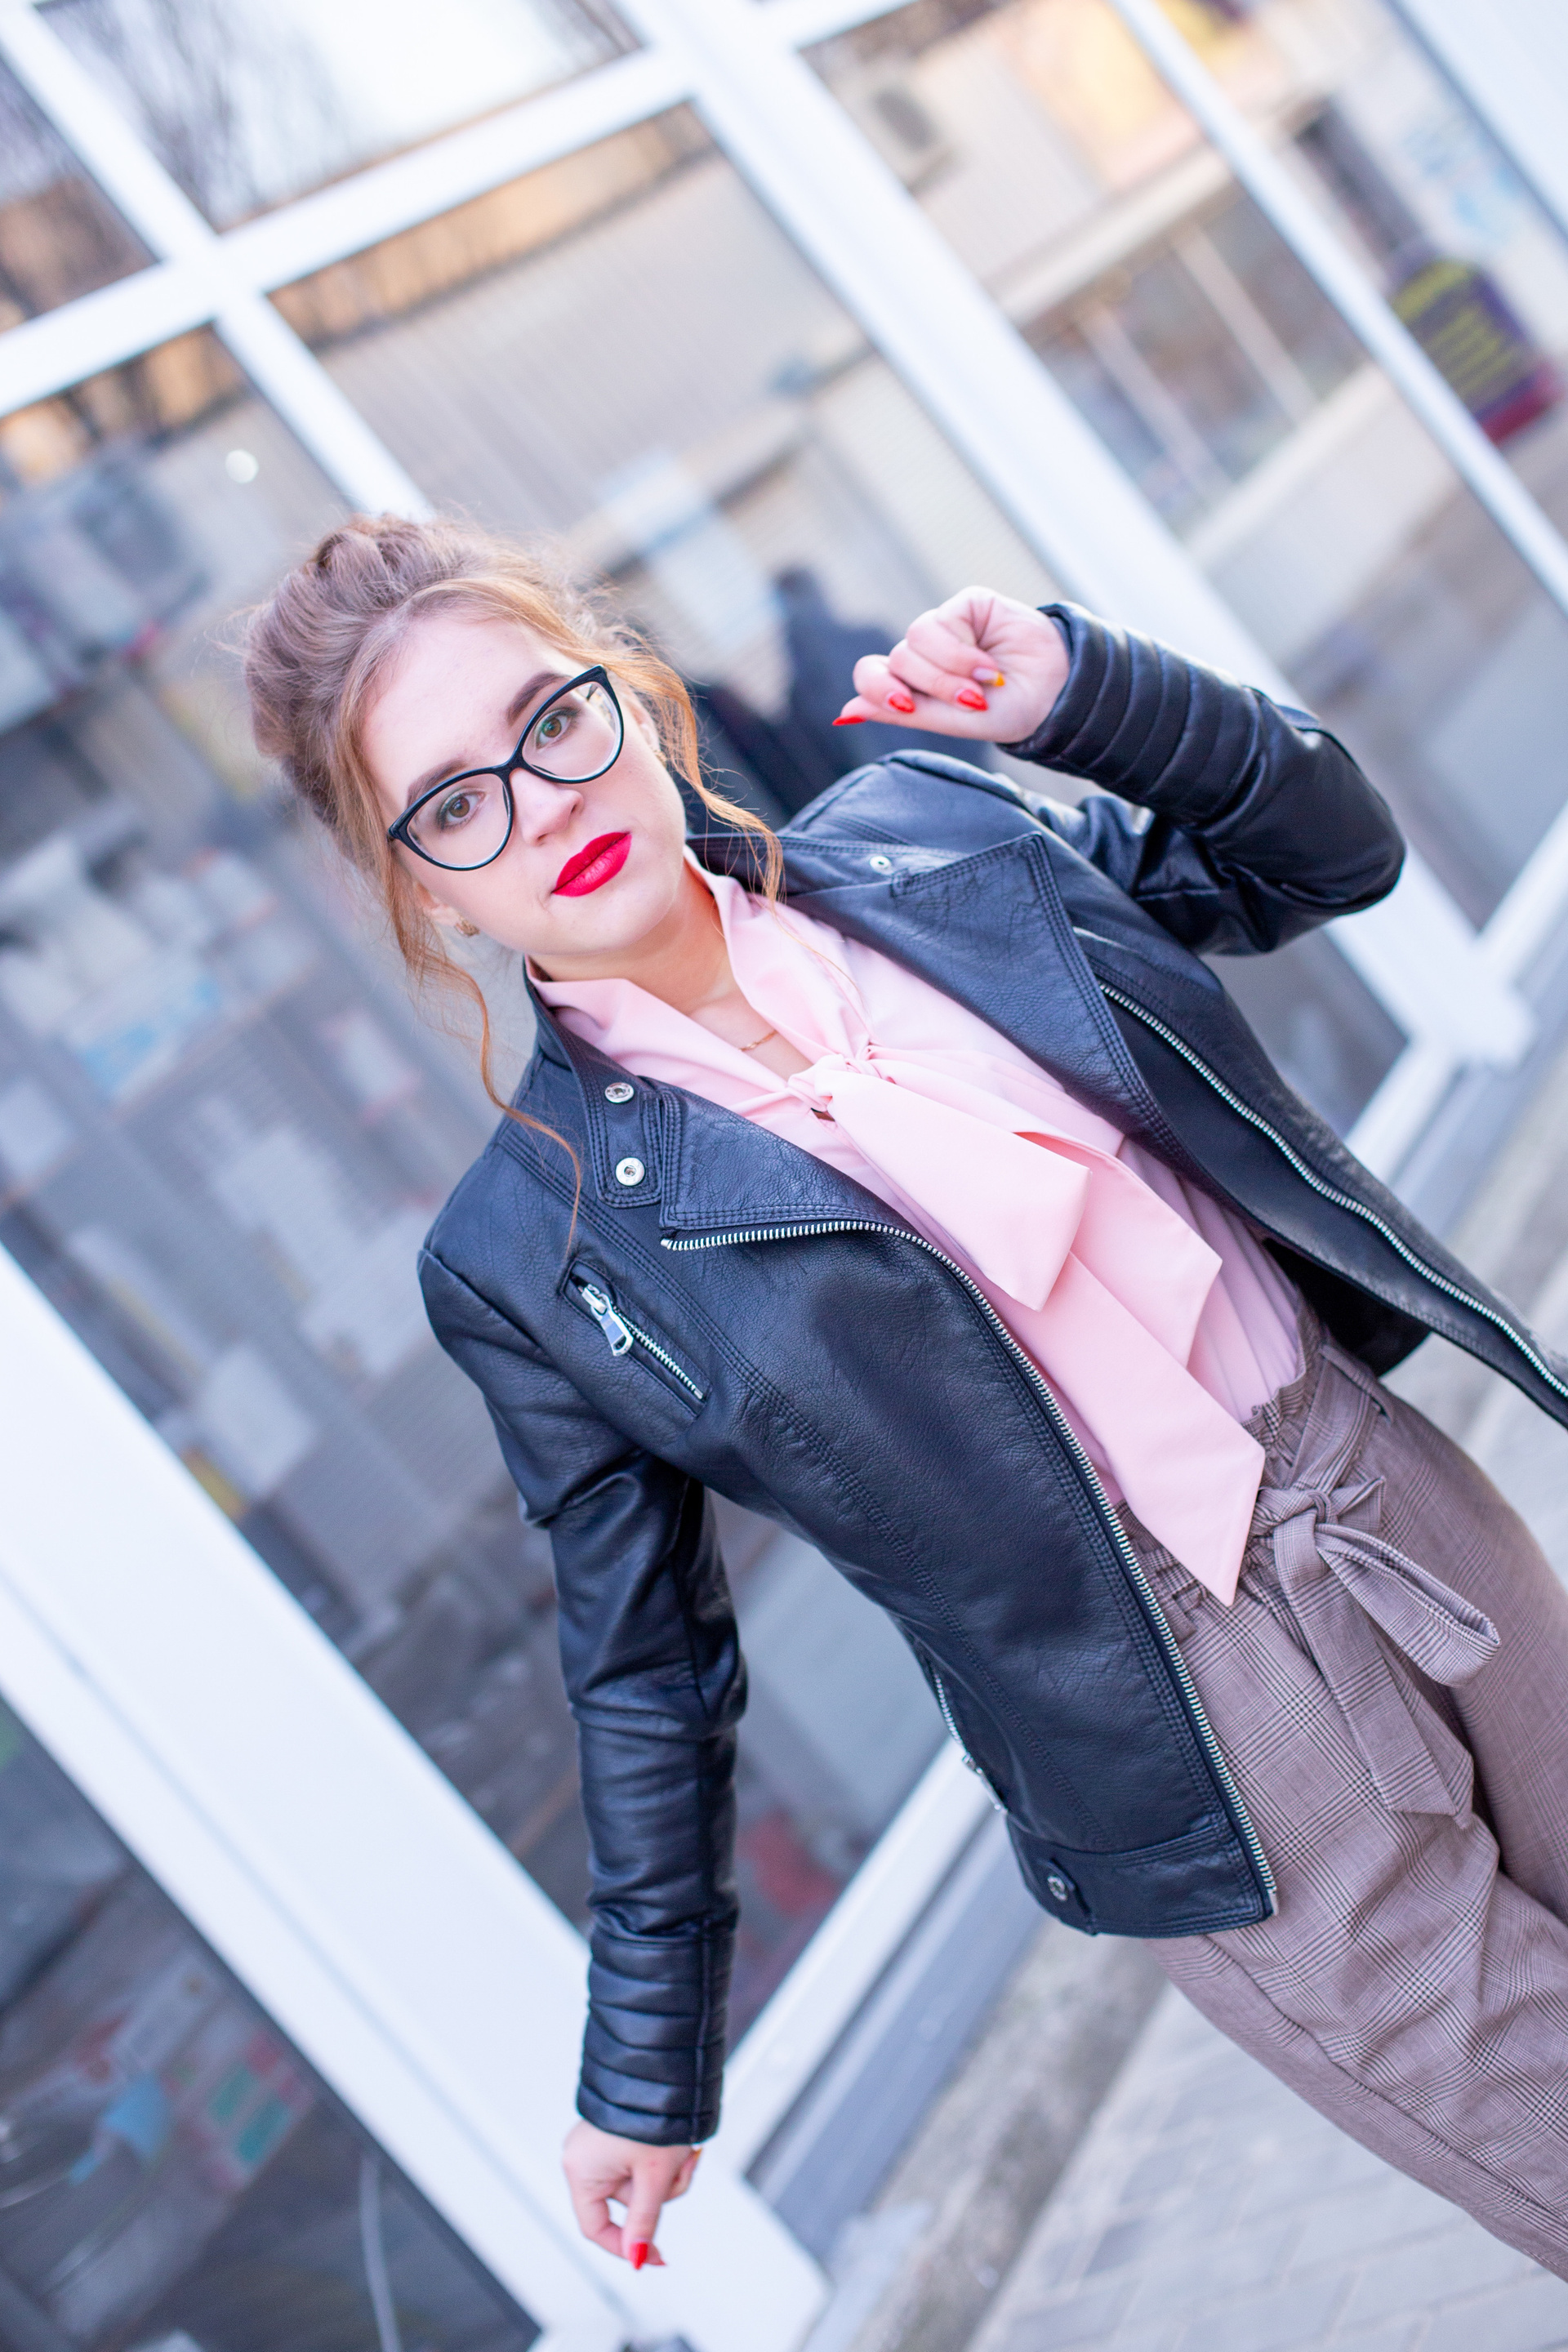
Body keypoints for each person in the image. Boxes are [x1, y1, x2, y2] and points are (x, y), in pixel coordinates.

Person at [243, 514, 1568, 2284]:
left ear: (629, 694)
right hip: (1208, 1750)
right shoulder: (534, 1253)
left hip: (1404, 1515)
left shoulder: (936, 847)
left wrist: (1090, 693)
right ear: (426, 893)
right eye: (455, 806)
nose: (542, 804)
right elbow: (645, 1665)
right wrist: (645, 2069)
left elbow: (1326, 853)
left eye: (550, 722)